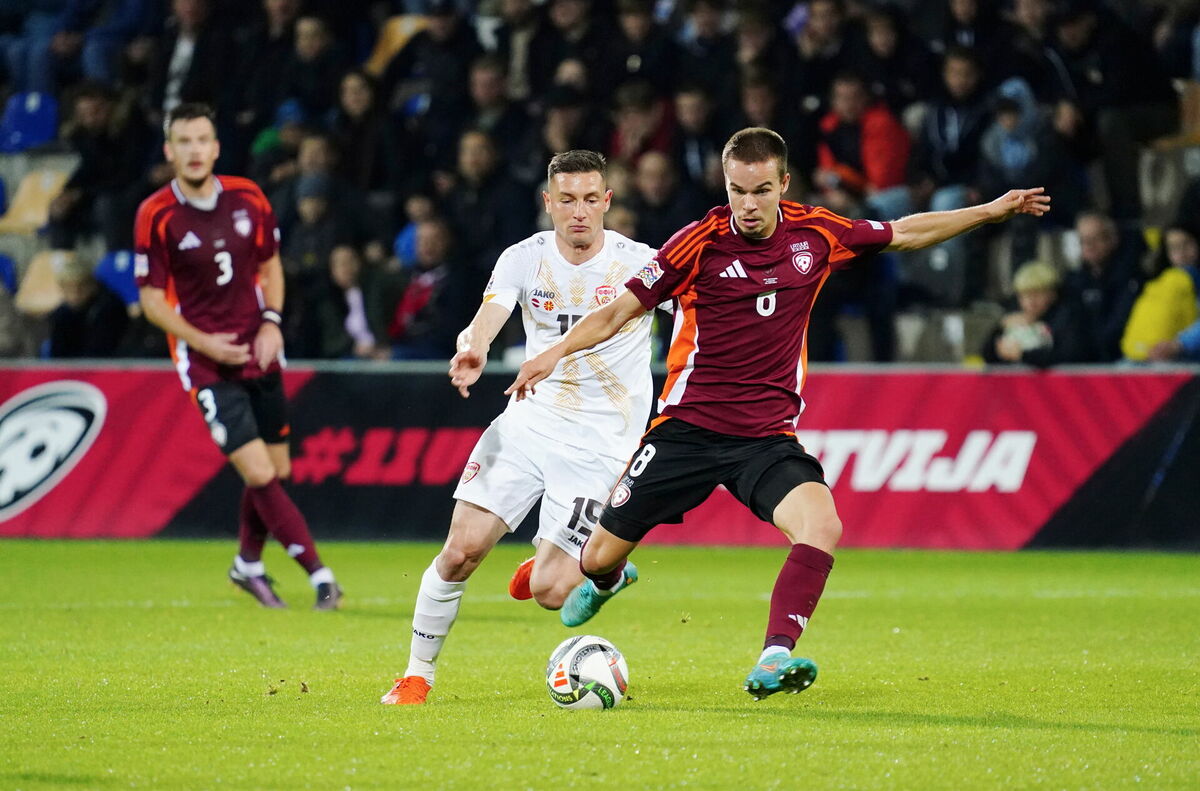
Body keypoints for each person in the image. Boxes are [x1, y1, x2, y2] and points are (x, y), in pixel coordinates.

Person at [507, 127, 1050, 700]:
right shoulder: (697, 243)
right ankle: (610, 578)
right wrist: (553, 354)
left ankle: (774, 656)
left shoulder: (816, 233)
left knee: (823, 526)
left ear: (783, 185)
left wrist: (990, 211)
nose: (748, 204)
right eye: (737, 190)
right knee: (595, 558)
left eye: (761, 190)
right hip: (686, 429)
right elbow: (617, 311)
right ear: (726, 184)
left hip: (765, 437)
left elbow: (905, 233)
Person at [381, 150, 664, 706]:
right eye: (566, 200)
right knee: (461, 549)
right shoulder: (524, 258)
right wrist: (474, 346)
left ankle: (606, 573)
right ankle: (417, 674)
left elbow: (703, 312)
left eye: (589, 200)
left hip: (602, 443)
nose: (578, 213)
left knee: (552, 593)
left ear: (606, 201)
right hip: (530, 422)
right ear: (548, 203)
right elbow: (490, 312)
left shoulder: (643, 263)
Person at [134, 102, 342, 610]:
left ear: (217, 146)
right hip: (206, 363)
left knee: (277, 471)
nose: (195, 150)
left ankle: (247, 564)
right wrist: (202, 343)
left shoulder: (249, 197)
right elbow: (151, 301)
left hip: (260, 346)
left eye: (203, 139)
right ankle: (320, 576)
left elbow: (271, 266)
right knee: (259, 475)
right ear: (169, 151)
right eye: (184, 141)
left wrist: (271, 322)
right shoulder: (155, 214)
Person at [981, 260, 1092, 366]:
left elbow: (1068, 355)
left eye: (1037, 294)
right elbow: (987, 356)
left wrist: (1023, 355)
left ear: (1052, 294)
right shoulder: (1014, 317)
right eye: (1024, 295)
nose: (1031, 301)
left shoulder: (1067, 318)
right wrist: (1000, 327)